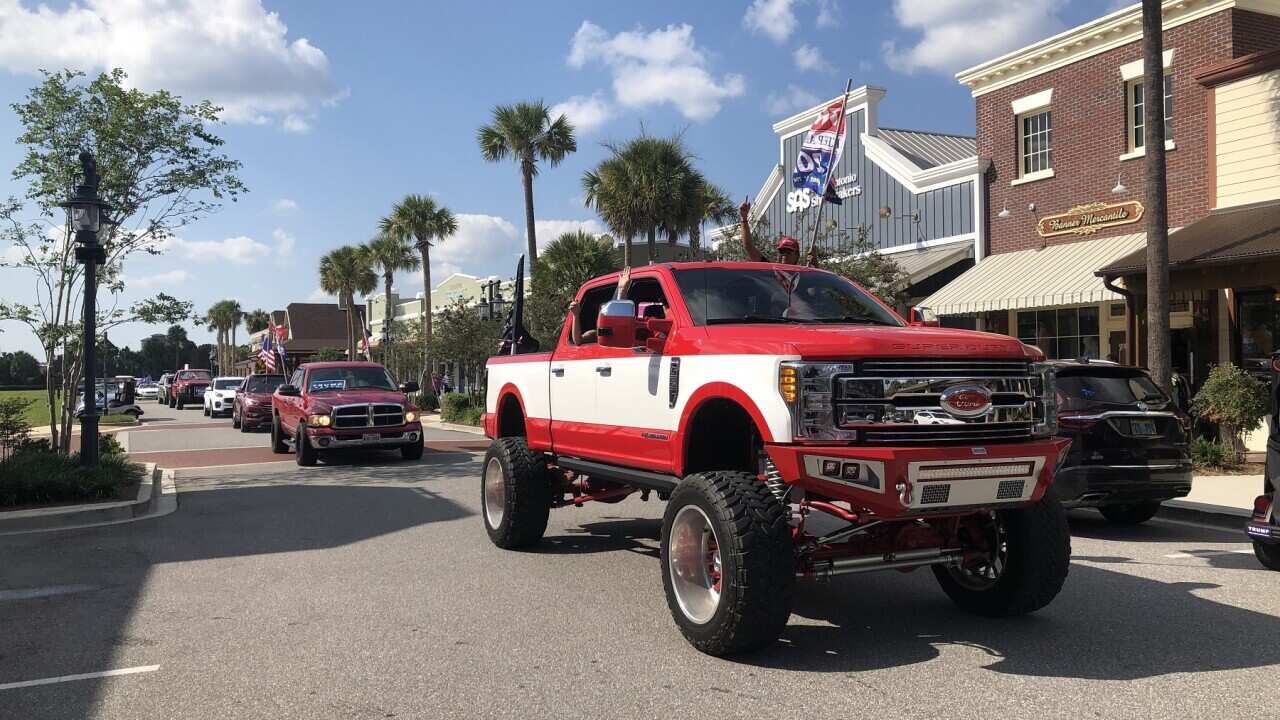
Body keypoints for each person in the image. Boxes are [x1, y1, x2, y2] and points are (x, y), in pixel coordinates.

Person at [739, 198, 817, 267]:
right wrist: (744, 218)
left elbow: (821, 283)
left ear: (797, 256)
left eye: (789, 252)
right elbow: (749, 247)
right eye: (781, 251)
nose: (784, 255)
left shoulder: (803, 275)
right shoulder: (771, 271)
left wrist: (815, 264)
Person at [570, 266, 633, 344]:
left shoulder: (623, 331)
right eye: (601, 313)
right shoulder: (595, 334)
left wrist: (622, 291)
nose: (604, 317)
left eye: (608, 313)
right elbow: (578, 340)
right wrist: (575, 315)